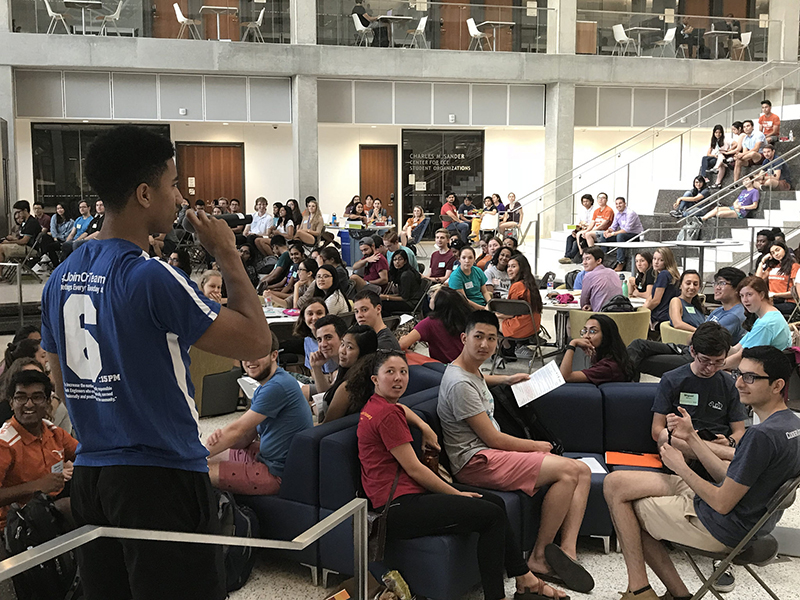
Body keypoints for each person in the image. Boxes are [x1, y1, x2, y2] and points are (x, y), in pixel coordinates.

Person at [41, 126, 270, 600]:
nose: (179, 197)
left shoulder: (60, 277)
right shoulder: (150, 275)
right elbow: (256, 340)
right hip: (160, 479)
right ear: (145, 193)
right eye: (172, 185)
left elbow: (61, 380)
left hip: (93, 476)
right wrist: (227, 251)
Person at [359, 349, 568, 600]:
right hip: (398, 507)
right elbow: (415, 469)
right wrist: (457, 493)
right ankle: (498, 595)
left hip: (401, 500)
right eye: (390, 372)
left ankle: (525, 579)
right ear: (375, 379)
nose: (398, 378)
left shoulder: (377, 406)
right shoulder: (386, 416)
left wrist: (424, 426)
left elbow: (402, 409)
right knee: (490, 515)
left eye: (403, 372)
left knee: (495, 502)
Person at [603, 346, 800, 600]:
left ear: (777, 385)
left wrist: (681, 467)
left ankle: (640, 590)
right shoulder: (791, 424)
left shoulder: (760, 436)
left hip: (720, 526)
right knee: (616, 483)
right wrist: (692, 438)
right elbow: (728, 477)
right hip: (745, 518)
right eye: (739, 374)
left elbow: (721, 502)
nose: (739, 383)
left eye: (750, 377)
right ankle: (675, 595)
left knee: (628, 507)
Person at [437, 311, 593, 594]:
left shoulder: (469, 370)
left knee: (582, 470)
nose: (484, 344)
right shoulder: (459, 383)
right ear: (464, 338)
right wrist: (536, 446)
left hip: (487, 454)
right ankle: (539, 557)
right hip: (475, 461)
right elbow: (493, 439)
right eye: (478, 337)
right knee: (569, 471)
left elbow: (481, 379)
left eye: (491, 339)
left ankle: (567, 551)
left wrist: (505, 380)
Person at [205, 332, 312, 496]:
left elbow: (237, 429)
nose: (249, 361)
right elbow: (245, 437)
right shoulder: (268, 385)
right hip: (269, 459)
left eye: (257, 355)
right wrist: (220, 439)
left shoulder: (277, 386)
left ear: (274, 355)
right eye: (245, 355)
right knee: (213, 454)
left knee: (196, 470)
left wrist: (196, 455)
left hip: (276, 473)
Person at [651, 323, 746, 468]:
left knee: (728, 470)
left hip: (717, 449)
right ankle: (732, 455)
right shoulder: (672, 380)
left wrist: (729, 441)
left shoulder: (729, 384)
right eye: (705, 360)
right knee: (666, 436)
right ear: (692, 351)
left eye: (719, 362)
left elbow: (739, 431)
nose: (711, 368)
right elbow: (657, 431)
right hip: (683, 446)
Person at [627, 268, 748, 375]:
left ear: (737, 289)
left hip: (699, 359)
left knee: (639, 359)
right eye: (716, 283)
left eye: (722, 283)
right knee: (639, 345)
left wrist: (695, 336)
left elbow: (706, 339)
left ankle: (619, 382)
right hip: (688, 349)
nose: (717, 287)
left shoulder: (734, 315)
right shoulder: (720, 310)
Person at [0, 370, 78, 530]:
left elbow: (84, 456)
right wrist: (37, 485)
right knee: (69, 507)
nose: (29, 404)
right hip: (13, 524)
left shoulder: (54, 432)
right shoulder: (5, 442)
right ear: (11, 403)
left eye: (37, 397)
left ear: (48, 402)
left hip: (47, 511)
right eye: (21, 397)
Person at [723, 276, 791, 369]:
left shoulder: (766, 323)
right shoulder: (765, 317)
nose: (745, 300)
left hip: (764, 374)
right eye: (742, 296)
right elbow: (736, 349)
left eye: (749, 294)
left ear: (762, 295)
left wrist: (713, 366)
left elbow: (741, 357)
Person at [321, 324, 378, 423]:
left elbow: (326, 425)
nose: (342, 351)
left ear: (363, 353)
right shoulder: (371, 376)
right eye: (342, 344)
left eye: (350, 347)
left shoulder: (347, 387)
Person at [400, 286, 470, 363]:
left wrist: (403, 338)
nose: (430, 298)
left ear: (439, 303)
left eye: (433, 297)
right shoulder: (464, 317)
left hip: (444, 369)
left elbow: (402, 345)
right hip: (468, 365)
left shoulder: (429, 323)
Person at [559, 314, 634, 384]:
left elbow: (565, 376)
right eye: (585, 331)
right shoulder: (608, 356)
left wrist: (572, 344)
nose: (586, 336)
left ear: (606, 336)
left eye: (592, 331)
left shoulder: (607, 367)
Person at [497, 253, 543, 361]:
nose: (509, 270)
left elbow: (510, 312)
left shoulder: (517, 286)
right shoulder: (531, 284)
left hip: (519, 328)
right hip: (534, 326)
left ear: (521, 268)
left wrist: (497, 314)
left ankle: (507, 349)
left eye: (513, 266)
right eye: (508, 266)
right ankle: (512, 348)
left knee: (489, 320)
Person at [755, 240, 799, 317]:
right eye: (772, 253)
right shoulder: (773, 267)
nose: (776, 254)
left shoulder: (794, 266)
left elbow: (795, 292)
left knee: (763, 309)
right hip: (772, 300)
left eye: (777, 250)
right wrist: (762, 261)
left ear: (784, 249)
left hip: (788, 302)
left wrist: (775, 294)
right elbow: (758, 279)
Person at [643, 247, 680, 332]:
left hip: (660, 317)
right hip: (669, 315)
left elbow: (656, 300)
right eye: (654, 259)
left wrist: (642, 311)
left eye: (661, 260)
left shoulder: (663, 275)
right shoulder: (672, 275)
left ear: (667, 261)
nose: (656, 262)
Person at [602, 197, 643, 271]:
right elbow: (613, 227)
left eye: (620, 203)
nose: (618, 205)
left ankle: (621, 262)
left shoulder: (630, 213)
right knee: (603, 237)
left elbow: (627, 230)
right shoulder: (617, 214)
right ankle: (604, 260)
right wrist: (608, 231)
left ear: (625, 204)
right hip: (624, 235)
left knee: (620, 236)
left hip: (635, 235)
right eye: (616, 204)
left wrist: (612, 234)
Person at [580, 247, 622, 312]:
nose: (584, 263)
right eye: (583, 259)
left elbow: (583, 304)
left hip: (601, 317)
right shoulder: (613, 272)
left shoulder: (589, 276)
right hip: (620, 314)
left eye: (588, 259)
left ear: (599, 261)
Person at [380, 250, 423, 315]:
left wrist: (386, 297)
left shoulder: (406, 275)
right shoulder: (401, 272)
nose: (397, 262)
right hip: (409, 300)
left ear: (405, 261)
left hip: (411, 303)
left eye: (400, 259)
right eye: (394, 260)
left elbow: (404, 298)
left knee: (382, 305)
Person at [449, 246, 491, 310]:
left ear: (474, 259)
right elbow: (463, 300)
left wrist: (490, 304)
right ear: (459, 259)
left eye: (470, 258)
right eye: (463, 258)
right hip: (467, 308)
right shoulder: (455, 276)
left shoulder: (478, 271)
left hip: (482, 304)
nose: (467, 261)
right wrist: (483, 309)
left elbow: (485, 292)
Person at [559, 194, 594, 264]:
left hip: (589, 230)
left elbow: (593, 223)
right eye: (583, 202)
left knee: (577, 241)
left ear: (591, 201)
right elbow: (577, 223)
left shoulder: (594, 210)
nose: (585, 203)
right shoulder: (581, 211)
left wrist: (585, 227)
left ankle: (570, 257)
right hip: (580, 229)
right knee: (569, 238)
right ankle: (566, 256)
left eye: (587, 201)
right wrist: (574, 230)